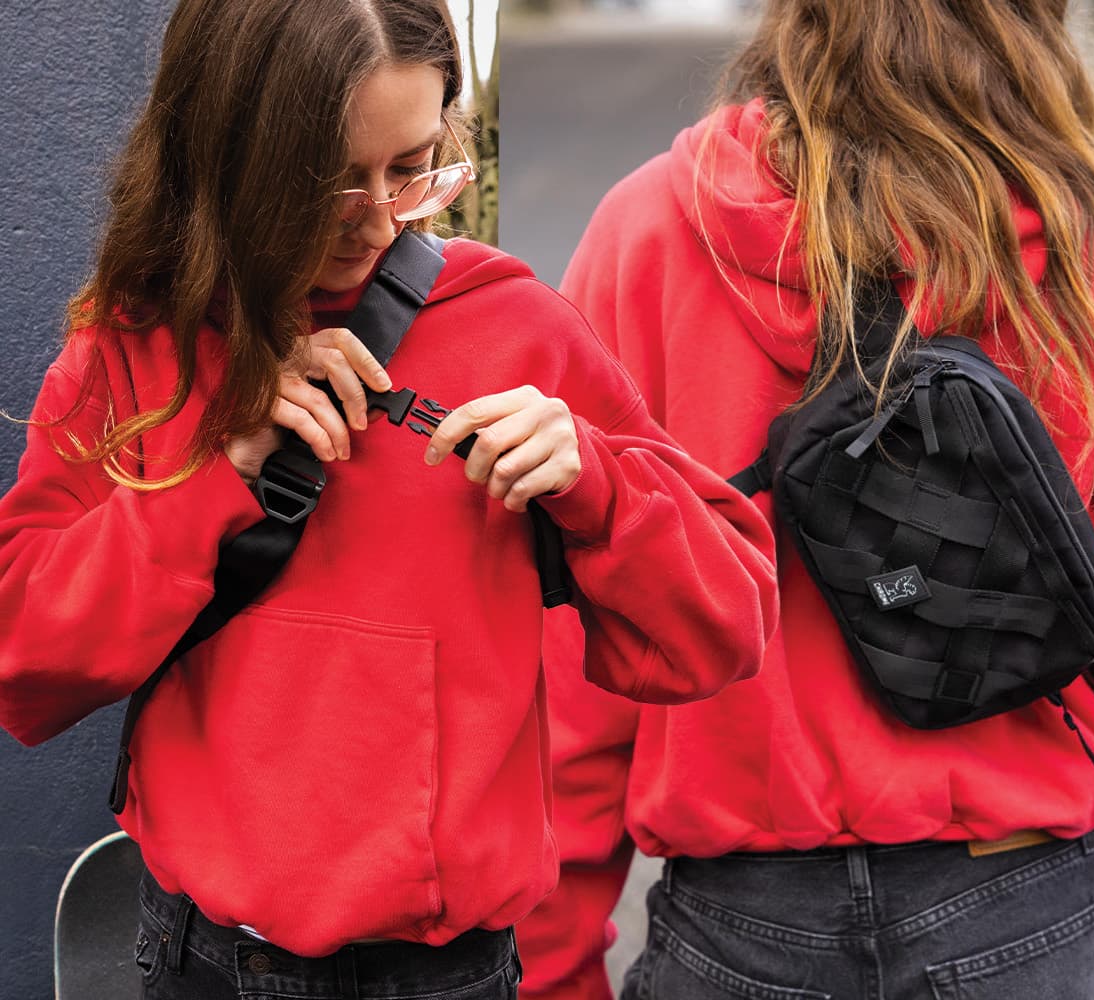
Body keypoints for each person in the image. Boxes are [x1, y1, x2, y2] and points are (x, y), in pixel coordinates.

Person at [0, 0, 779, 996]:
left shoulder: (517, 330)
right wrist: (212, 474)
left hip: (446, 974)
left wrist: (599, 481)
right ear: (230, 153)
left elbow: (725, 625)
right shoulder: (144, 339)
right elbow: (22, 656)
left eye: (412, 167)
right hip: (202, 959)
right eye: (327, 184)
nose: (376, 218)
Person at [515, 1, 1094, 997]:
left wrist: (547, 965)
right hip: (1027, 903)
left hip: (744, 922)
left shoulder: (649, 235)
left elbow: (572, 654)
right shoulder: (1086, 256)